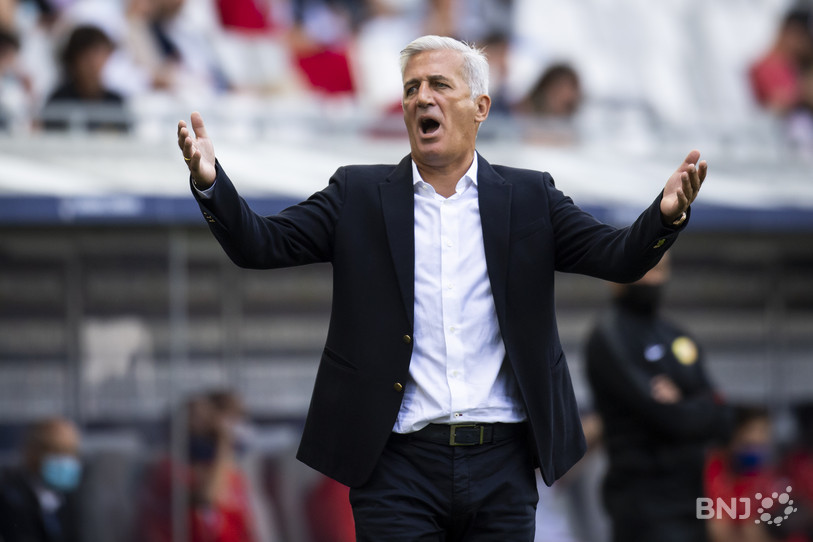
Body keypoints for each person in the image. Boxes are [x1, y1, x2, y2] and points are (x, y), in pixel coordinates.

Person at [177, 34, 708, 539]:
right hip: (396, 465)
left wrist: (664, 217)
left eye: (438, 85)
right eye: (411, 88)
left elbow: (618, 258)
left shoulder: (530, 197)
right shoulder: (357, 194)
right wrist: (211, 184)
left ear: (480, 107)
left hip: (503, 462)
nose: (421, 98)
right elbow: (261, 246)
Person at [584, 252, 733, 542]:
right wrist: (694, 406)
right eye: (644, 266)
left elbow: (724, 419)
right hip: (643, 504)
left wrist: (684, 404)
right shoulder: (609, 336)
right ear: (614, 276)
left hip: (692, 498)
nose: (652, 277)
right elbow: (669, 418)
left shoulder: (677, 336)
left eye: (660, 268)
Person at [136, 391, 259, 542]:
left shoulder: (233, 475)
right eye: (202, 425)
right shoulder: (167, 470)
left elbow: (243, 527)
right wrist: (222, 447)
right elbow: (205, 499)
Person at [704, 406, 781, 542]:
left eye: (766, 432)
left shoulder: (751, 473)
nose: (763, 439)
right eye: (757, 431)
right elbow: (718, 531)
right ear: (735, 434)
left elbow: (751, 528)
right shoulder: (713, 469)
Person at [0, 417, 83, 542]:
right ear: (35, 453)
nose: (65, 461)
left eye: (70, 453)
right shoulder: (11, 498)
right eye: (57, 452)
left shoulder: (67, 499)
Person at [40, 23, 130, 132]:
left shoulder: (115, 102)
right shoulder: (59, 101)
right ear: (73, 59)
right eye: (86, 56)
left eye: (98, 53)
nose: (92, 63)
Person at [749, 7, 813, 115]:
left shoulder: (792, 64)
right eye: (807, 39)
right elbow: (776, 105)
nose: (807, 46)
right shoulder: (768, 67)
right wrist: (803, 92)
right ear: (794, 33)